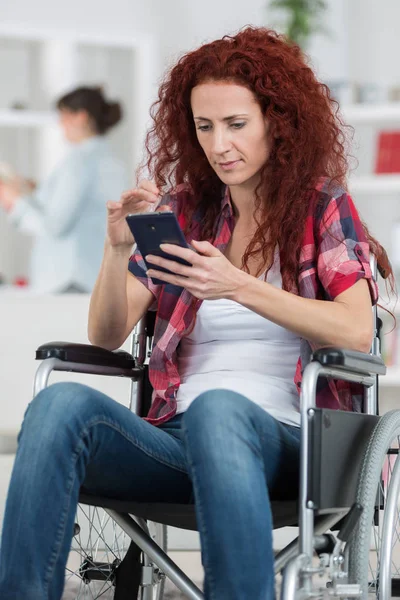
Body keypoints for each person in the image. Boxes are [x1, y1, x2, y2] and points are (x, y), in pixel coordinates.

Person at [0, 27, 395, 600]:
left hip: (289, 441)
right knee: (58, 403)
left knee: (218, 409)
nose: (219, 144)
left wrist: (238, 286)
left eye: (236, 124)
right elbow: (107, 333)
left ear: (276, 122)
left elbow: (357, 329)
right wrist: (115, 252)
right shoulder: (187, 211)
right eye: (204, 127)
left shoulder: (321, 205)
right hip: (178, 440)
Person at [0, 86, 129, 293]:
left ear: (80, 117)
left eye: (63, 116)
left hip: (68, 280)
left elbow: (56, 226)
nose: (60, 124)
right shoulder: (112, 162)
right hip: (95, 276)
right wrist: (34, 192)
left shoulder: (79, 163)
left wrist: (15, 203)